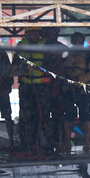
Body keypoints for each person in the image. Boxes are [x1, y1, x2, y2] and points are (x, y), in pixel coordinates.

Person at [16, 26, 54, 154]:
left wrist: (37, 68)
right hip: (26, 85)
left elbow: (51, 65)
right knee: (25, 115)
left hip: (42, 87)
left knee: (44, 115)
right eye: (31, 33)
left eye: (36, 33)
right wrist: (23, 68)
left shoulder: (46, 45)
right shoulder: (21, 45)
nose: (34, 35)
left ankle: (49, 144)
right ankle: (25, 144)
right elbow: (14, 63)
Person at [62, 32, 90, 153]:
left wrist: (81, 79)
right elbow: (60, 70)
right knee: (68, 116)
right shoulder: (66, 54)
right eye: (75, 41)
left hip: (82, 89)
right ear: (72, 41)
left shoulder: (87, 55)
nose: (78, 43)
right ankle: (67, 141)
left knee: (86, 116)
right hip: (68, 89)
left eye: (80, 41)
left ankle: (87, 142)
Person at [44, 27, 68, 151]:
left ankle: (60, 142)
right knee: (45, 117)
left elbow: (67, 67)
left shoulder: (62, 48)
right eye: (50, 31)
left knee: (59, 117)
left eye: (55, 31)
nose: (53, 34)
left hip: (59, 88)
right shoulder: (42, 47)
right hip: (45, 87)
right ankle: (50, 142)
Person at [0, 49, 15, 149]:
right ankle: (11, 141)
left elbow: (8, 73)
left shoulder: (2, 53)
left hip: (2, 91)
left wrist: (6, 87)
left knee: (8, 117)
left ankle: (11, 141)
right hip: (3, 90)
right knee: (8, 117)